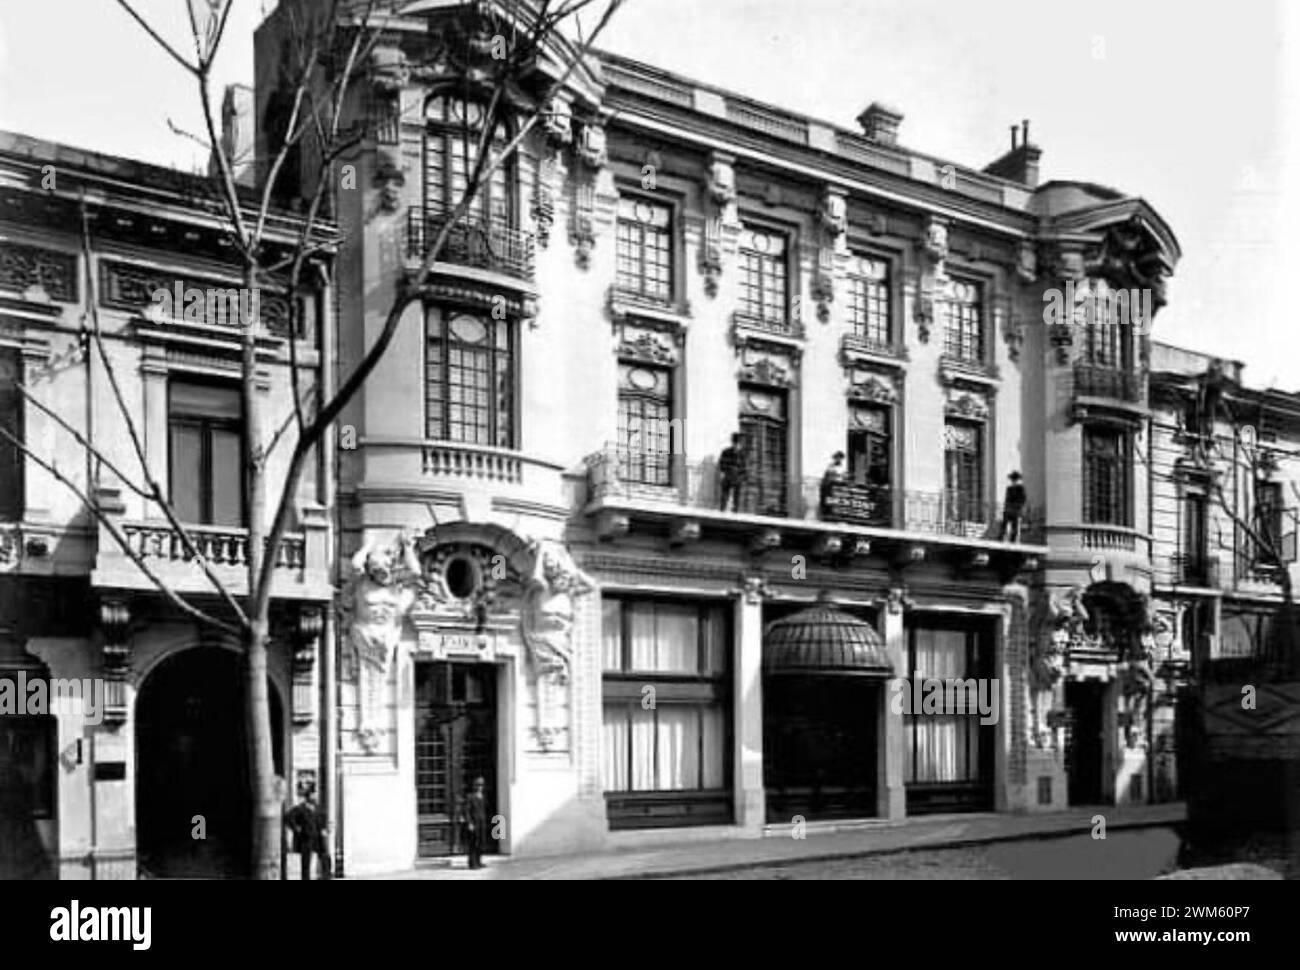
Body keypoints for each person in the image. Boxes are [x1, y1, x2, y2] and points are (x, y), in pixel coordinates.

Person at [283, 779, 326, 880]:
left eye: (315, 794)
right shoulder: (300, 808)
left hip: (318, 837)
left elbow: (322, 819)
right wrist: (296, 829)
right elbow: (288, 817)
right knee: (306, 862)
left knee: (324, 857)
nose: (315, 797)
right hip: (306, 838)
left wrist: (324, 829)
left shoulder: (317, 808)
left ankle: (324, 876)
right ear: (308, 796)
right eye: (313, 794)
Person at [458, 776, 489, 870]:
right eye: (478, 785)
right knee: (473, 843)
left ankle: (479, 861)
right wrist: (469, 823)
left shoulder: (483, 796)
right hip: (474, 822)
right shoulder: (470, 797)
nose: (480, 787)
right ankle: (472, 863)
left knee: (480, 843)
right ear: (474, 786)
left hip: (481, 822)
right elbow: (466, 811)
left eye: (481, 785)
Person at [718, 433, 748, 512]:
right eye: (735, 443)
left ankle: (735, 514)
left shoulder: (742, 454)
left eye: (739, 444)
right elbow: (721, 464)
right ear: (733, 443)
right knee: (724, 496)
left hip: (737, 477)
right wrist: (725, 473)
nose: (737, 446)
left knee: (736, 498)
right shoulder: (726, 452)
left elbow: (744, 468)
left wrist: (742, 478)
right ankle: (722, 512)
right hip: (728, 476)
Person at [1000, 471, 1027, 542]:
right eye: (1012, 479)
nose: (1013, 481)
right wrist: (1006, 507)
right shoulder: (1009, 489)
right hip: (1009, 509)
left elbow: (1023, 499)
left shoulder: (1020, 488)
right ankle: (1002, 536)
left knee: (1014, 525)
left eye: (1014, 479)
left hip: (1016, 509)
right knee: (1005, 522)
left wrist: (1019, 507)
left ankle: (1013, 539)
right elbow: (1007, 499)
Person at [819, 451, 847, 517]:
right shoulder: (830, 466)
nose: (838, 459)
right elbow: (826, 477)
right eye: (836, 457)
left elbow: (843, 478)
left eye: (839, 458)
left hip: (838, 489)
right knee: (827, 503)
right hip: (829, 488)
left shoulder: (843, 468)